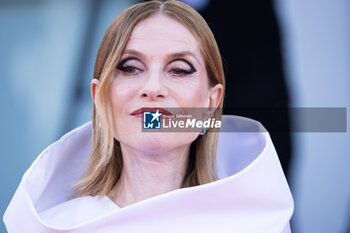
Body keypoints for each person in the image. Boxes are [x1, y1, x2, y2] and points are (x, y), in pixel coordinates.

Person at [3, 1, 294, 232]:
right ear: (99, 97)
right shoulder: (52, 226)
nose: (153, 88)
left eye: (179, 69)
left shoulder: (257, 226)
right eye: (130, 67)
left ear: (211, 103)